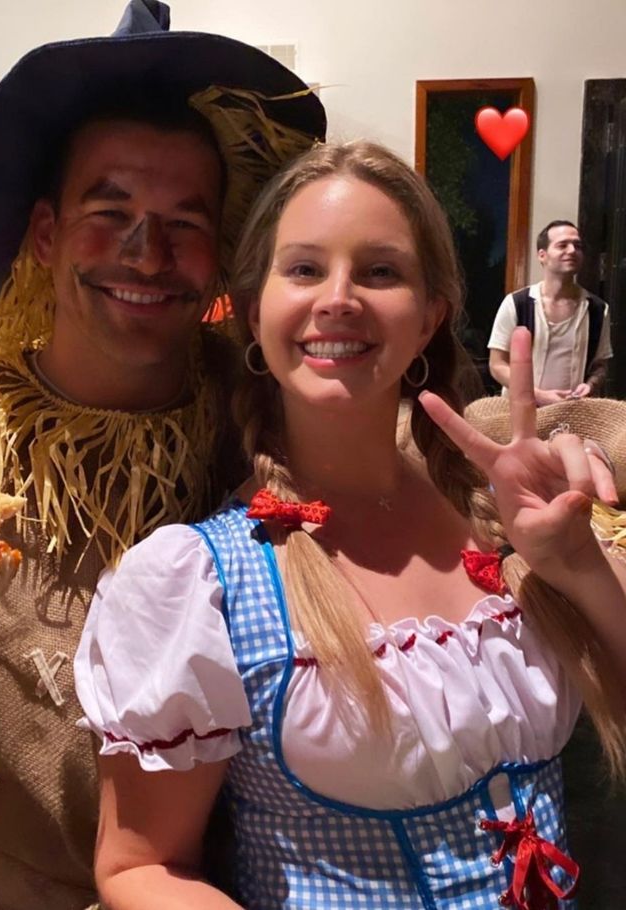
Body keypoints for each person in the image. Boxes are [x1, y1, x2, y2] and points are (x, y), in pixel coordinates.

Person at [75, 141, 626, 909]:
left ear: (431, 312)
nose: (339, 297)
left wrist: (576, 563)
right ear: (255, 308)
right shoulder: (196, 582)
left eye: (380, 271)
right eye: (303, 269)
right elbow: (140, 866)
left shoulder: (505, 518)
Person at [0, 2, 325, 908]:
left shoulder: (266, 410)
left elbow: (447, 431)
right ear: (44, 236)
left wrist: (586, 445)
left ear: (219, 256)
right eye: (111, 209)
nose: (147, 252)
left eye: (184, 222)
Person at [488, 220, 613, 406]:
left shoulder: (597, 309)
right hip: (517, 415)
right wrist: (536, 394)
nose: (571, 250)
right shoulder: (517, 304)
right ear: (542, 255)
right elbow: (497, 364)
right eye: (562, 245)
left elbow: (600, 366)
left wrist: (590, 385)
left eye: (577, 246)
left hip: (569, 415)